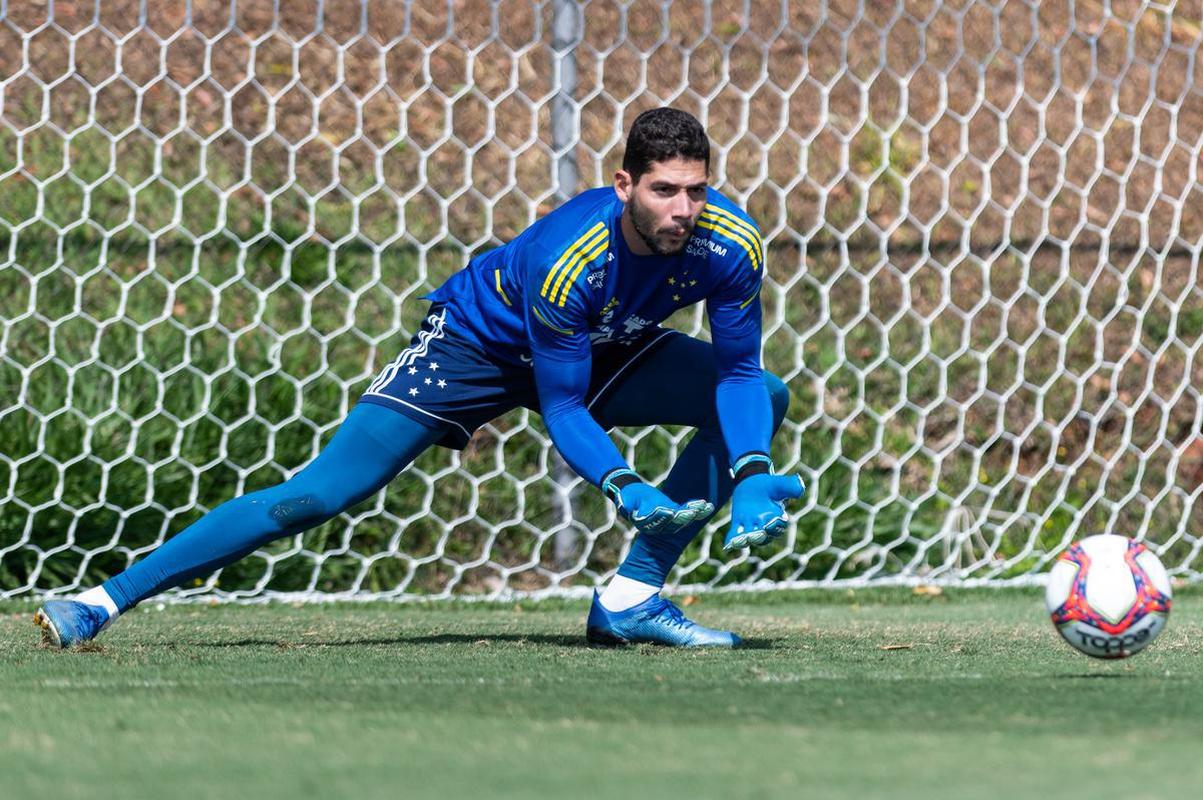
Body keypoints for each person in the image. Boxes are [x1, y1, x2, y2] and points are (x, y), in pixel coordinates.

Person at [35, 107, 804, 650]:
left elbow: (737, 371)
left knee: (764, 396)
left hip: (602, 346)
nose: (682, 209)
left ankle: (633, 598)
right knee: (320, 495)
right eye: (663, 190)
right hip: (474, 345)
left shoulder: (729, 246)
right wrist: (625, 486)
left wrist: (753, 468)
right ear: (622, 185)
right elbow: (560, 404)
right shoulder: (570, 259)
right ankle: (101, 602)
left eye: (695, 190)